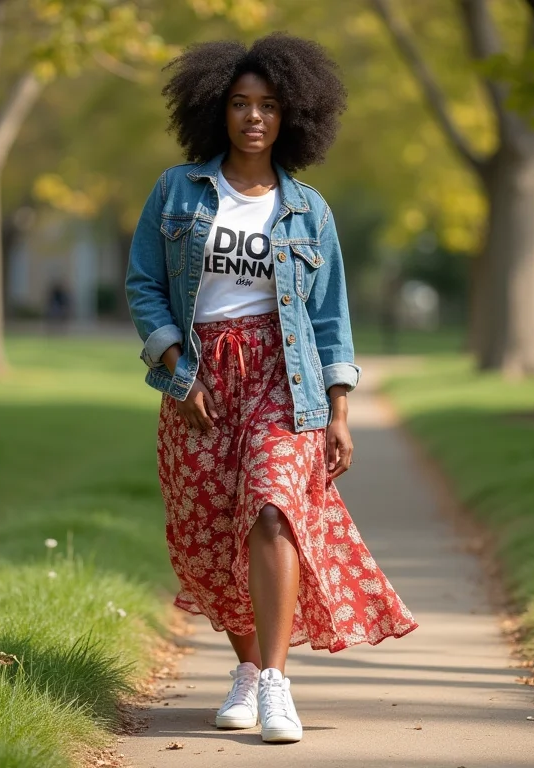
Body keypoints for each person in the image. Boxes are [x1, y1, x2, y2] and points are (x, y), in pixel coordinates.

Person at [125, 33, 418, 745]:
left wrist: (339, 411)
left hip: (282, 379)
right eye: (239, 104)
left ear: (293, 116)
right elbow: (144, 284)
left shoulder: (308, 211)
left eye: (268, 105)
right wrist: (177, 366)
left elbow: (328, 316)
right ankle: (248, 670)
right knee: (209, 537)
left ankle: (278, 684)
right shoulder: (178, 190)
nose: (254, 117)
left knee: (272, 511)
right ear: (216, 110)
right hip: (199, 378)